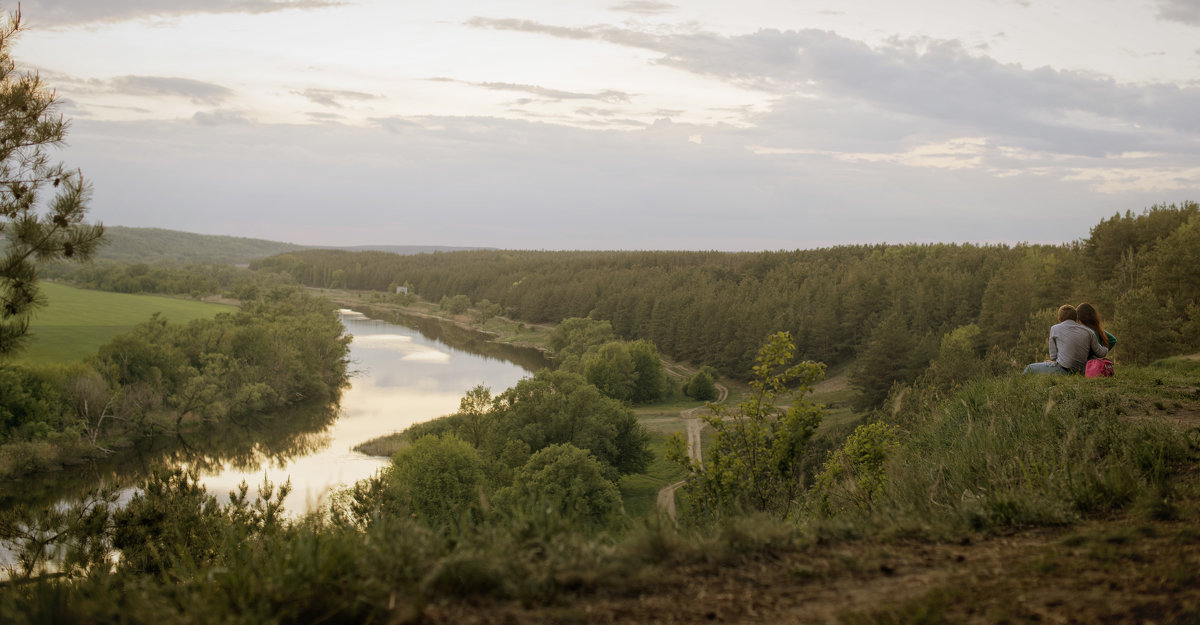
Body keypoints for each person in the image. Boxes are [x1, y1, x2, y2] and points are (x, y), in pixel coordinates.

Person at [1023, 304, 1109, 375]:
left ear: (1059, 319)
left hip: (1063, 370)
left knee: (1030, 368)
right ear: (1076, 318)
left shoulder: (1054, 329)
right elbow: (1101, 353)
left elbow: (1053, 356)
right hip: (1082, 372)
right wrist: (1106, 344)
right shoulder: (1089, 332)